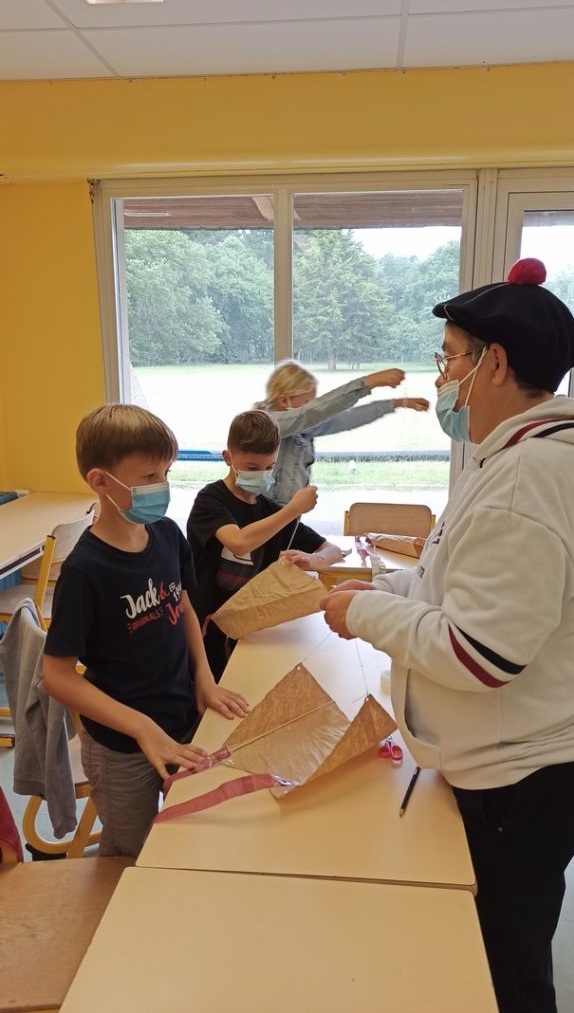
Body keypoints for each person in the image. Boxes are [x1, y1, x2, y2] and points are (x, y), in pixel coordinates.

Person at [319, 258, 574, 1013]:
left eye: (450, 358)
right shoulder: (517, 458)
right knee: (498, 943)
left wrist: (365, 616)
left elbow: (480, 653)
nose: (441, 379)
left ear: (494, 364)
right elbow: (450, 587)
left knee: (501, 962)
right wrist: (377, 591)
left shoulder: (527, 477)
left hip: (519, 780)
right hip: (517, 762)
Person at [43, 403, 249, 858]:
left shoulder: (168, 535)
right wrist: (141, 727)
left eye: (166, 473)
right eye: (149, 476)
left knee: (186, 838)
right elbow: (56, 676)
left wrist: (204, 678)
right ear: (101, 482)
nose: (163, 487)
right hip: (122, 748)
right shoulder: (84, 571)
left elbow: (185, 606)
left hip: (183, 720)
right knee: (133, 855)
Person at [187, 409, 342, 680]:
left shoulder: (270, 511)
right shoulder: (210, 500)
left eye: (269, 467)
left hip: (250, 626)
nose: (262, 474)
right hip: (205, 626)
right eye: (252, 468)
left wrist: (312, 559)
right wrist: (293, 509)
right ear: (228, 458)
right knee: (214, 686)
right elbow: (238, 542)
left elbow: (333, 550)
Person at [255, 360, 429, 503]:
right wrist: (368, 382)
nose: (315, 407)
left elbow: (346, 418)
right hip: (266, 516)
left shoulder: (304, 427)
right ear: (284, 401)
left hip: (288, 514)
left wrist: (396, 404)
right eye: (308, 402)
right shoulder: (266, 423)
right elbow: (312, 413)